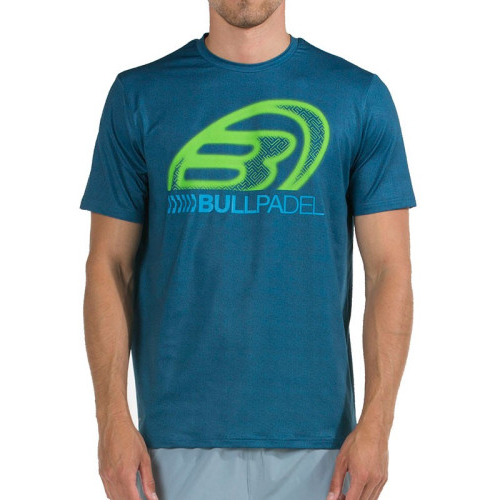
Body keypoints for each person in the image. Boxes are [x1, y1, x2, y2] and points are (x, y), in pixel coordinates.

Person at [79, 0, 417, 499]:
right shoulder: (139, 97)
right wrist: (111, 420)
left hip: (324, 446)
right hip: (171, 446)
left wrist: (378, 424)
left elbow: (389, 271)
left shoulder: (358, 97)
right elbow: (109, 266)